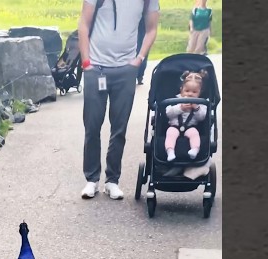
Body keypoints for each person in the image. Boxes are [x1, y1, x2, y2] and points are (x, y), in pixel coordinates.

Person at [78, 0, 160, 200]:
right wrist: (86, 61)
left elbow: (151, 29)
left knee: (119, 128)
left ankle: (112, 180)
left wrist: (138, 59)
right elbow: (84, 23)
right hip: (96, 68)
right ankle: (92, 179)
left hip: (125, 69)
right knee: (92, 125)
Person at [163, 71, 208, 161]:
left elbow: (201, 117)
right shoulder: (175, 100)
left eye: (194, 92)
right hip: (174, 126)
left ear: (199, 93)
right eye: (187, 91)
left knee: (194, 134)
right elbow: (168, 113)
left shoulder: (201, 104)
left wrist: (196, 108)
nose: (190, 94)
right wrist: (180, 108)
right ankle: (170, 151)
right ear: (181, 90)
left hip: (190, 127)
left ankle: (195, 150)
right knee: (170, 133)